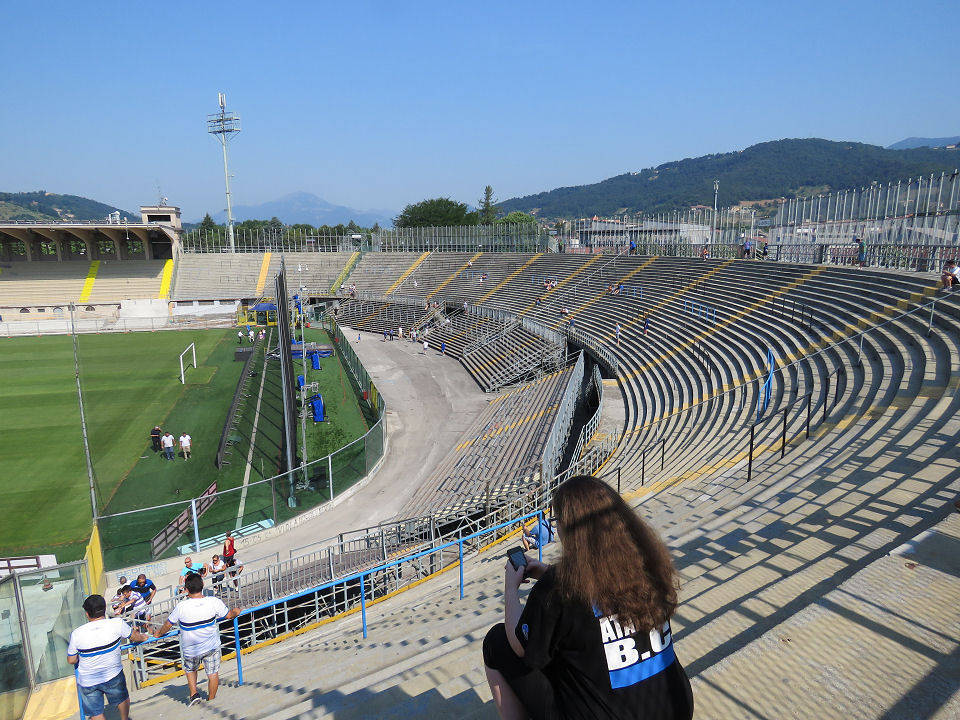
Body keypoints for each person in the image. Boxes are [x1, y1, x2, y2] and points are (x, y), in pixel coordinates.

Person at [483, 476, 693, 720]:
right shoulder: (647, 562)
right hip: (674, 708)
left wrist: (510, 588)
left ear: (569, 528)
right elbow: (596, 592)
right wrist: (546, 572)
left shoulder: (560, 587)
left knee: (497, 642)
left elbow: (520, 645)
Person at [155, 573, 242, 706]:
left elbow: (168, 624)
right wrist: (237, 610)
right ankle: (212, 699)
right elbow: (229, 615)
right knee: (212, 673)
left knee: (190, 669)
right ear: (202, 585)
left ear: (186, 589)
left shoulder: (181, 606)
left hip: (191, 649)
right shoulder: (213, 601)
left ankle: (194, 694)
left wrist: (158, 634)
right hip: (211, 646)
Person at [68, 595, 147, 720]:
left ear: (87, 614)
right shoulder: (117, 624)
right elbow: (135, 637)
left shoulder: (76, 634)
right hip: (113, 673)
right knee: (122, 698)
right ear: (104, 609)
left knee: (96, 712)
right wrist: (144, 637)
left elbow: (71, 660)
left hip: (88, 680)